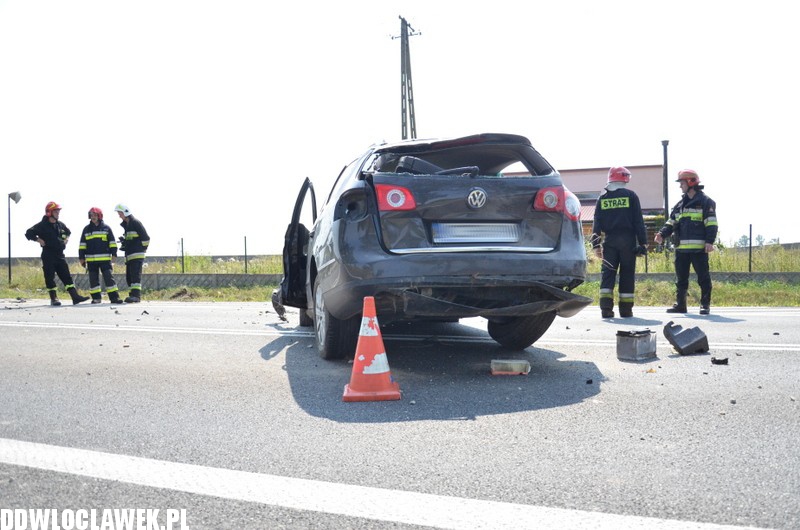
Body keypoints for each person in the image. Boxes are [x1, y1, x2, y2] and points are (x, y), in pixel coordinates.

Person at [654, 169, 718, 315]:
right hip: (681, 249)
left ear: (690, 182)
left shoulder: (705, 202)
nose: (680, 186)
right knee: (681, 279)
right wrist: (662, 234)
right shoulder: (680, 205)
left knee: (703, 278)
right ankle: (681, 305)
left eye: (682, 183)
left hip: (699, 249)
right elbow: (671, 222)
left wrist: (709, 241)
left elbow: (711, 223)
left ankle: (705, 304)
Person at [590, 166, 648, 319]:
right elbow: (638, 221)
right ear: (624, 178)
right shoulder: (631, 196)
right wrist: (643, 243)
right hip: (628, 242)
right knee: (627, 275)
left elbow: (597, 223)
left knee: (608, 274)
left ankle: (606, 309)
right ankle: (626, 310)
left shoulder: (602, 198)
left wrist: (596, 245)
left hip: (609, 242)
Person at [24, 201, 90, 306]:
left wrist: (66, 240)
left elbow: (68, 232)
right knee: (49, 277)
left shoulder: (60, 225)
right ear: (49, 212)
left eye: (58, 211)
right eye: (56, 211)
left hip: (60, 255)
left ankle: (75, 297)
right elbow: (28, 233)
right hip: (48, 255)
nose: (58, 213)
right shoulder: (42, 225)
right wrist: (39, 240)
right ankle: (54, 298)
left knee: (66, 276)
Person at [78, 207, 123, 304]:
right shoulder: (86, 229)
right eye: (91, 215)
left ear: (99, 216)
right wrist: (81, 258)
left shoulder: (106, 228)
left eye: (95, 215)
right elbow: (82, 245)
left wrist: (114, 255)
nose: (93, 217)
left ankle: (114, 298)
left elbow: (112, 243)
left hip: (105, 260)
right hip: (91, 261)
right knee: (93, 280)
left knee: (109, 278)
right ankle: (96, 298)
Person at [114, 203, 150, 303]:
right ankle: (132, 295)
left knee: (135, 276)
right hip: (130, 256)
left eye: (120, 213)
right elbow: (132, 239)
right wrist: (124, 242)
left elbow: (146, 238)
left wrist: (143, 249)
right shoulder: (127, 225)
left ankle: (136, 296)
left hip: (136, 255)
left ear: (126, 212)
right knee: (129, 277)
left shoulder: (135, 223)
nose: (119, 216)